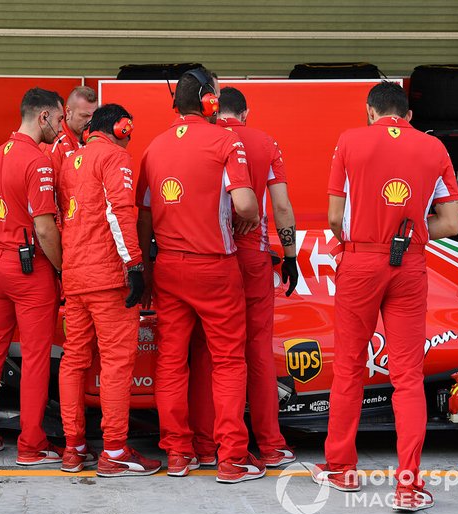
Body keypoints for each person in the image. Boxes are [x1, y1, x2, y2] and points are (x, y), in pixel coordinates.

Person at [307, 81, 458, 511]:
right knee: (408, 376)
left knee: (350, 368)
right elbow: (452, 223)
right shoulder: (434, 149)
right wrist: (410, 231)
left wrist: (354, 240)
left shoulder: (350, 141)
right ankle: (408, 487)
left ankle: (341, 469)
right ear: (408, 115)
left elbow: (336, 216)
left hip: (359, 261)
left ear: (370, 112)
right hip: (409, 261)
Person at [136, 68, 263, 483]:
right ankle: (230, 459)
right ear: (210, 101)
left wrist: (151, 267)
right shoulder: (225, 141)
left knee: (172, 362)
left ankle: (177, 454)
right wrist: (251, 216)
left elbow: (144, 218)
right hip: (215, 266)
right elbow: (244, 204)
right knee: (227, 361)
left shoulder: (153, 147)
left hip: (169, 265)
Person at [187, 86, 299, 469]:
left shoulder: (200, 140)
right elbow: (281, 205)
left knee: (206, 353)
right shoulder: (265, 142)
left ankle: (203, 445)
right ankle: (269, 444)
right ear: (246, 113)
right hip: (251, 256)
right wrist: (291, 255)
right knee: (257, 351)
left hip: (208, 254)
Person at [56, 104, 161, 476]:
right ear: (121, 127)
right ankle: (114, 451)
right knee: (117, 363)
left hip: (75, 275)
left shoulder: (71, 160)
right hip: (108, 277)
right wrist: (135, 266)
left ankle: (74, 448)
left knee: (74, 360)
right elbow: (119, 211)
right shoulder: (116, 156)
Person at [0, 87, 65, 466]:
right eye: (58, 120)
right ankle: (31, 445)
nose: (60, 128)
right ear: (42, 116)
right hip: (30, 269)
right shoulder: (38, 162)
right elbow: (45, 229)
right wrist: (64, 268)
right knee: (36, 357)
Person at [45, 86, 98, 176]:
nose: (90, 121)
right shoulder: (53, 143)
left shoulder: (96, 139)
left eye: (94, 115)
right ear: (68, 111)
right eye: (84, 116)